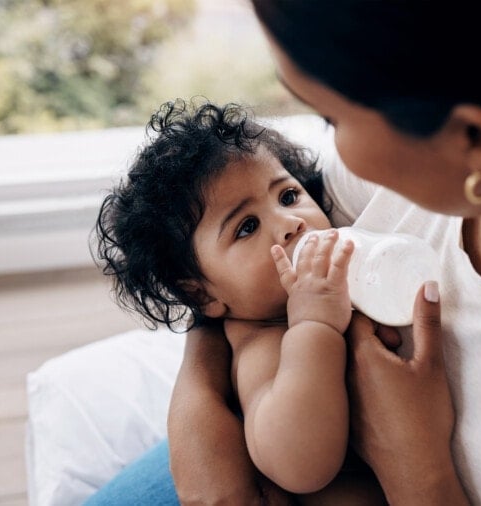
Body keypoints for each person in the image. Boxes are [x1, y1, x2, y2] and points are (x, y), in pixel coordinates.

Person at [90, 1, 481, 504]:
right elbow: (221, 290)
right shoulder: (422, 157)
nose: (300, 203)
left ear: (479, 141)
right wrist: (204, 435)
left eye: (332, 118)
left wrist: (416, 469)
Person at [87, 98, 387, 505]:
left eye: (287, 196)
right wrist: (314, 328)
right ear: (201, 293)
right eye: (246, 227)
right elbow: (301, 465)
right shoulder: (262, 347)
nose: (290, 223)